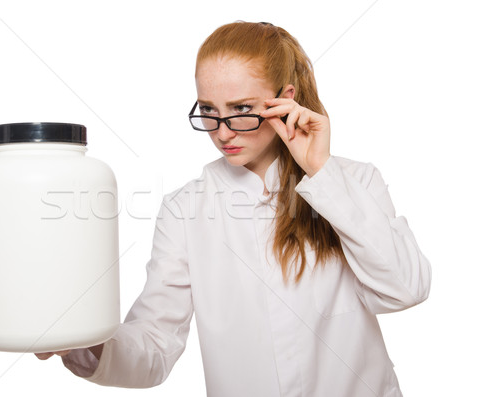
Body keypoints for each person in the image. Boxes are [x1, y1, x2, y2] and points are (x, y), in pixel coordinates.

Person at [36, 21, 431, 396]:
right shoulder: (185, 210)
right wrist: (82, 339)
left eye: (241, 109)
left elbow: (405, 290)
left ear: (285, 101)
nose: (222, 132)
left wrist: (321, 172)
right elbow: (155, 345)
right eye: (208, 110)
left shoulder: (353, 183)